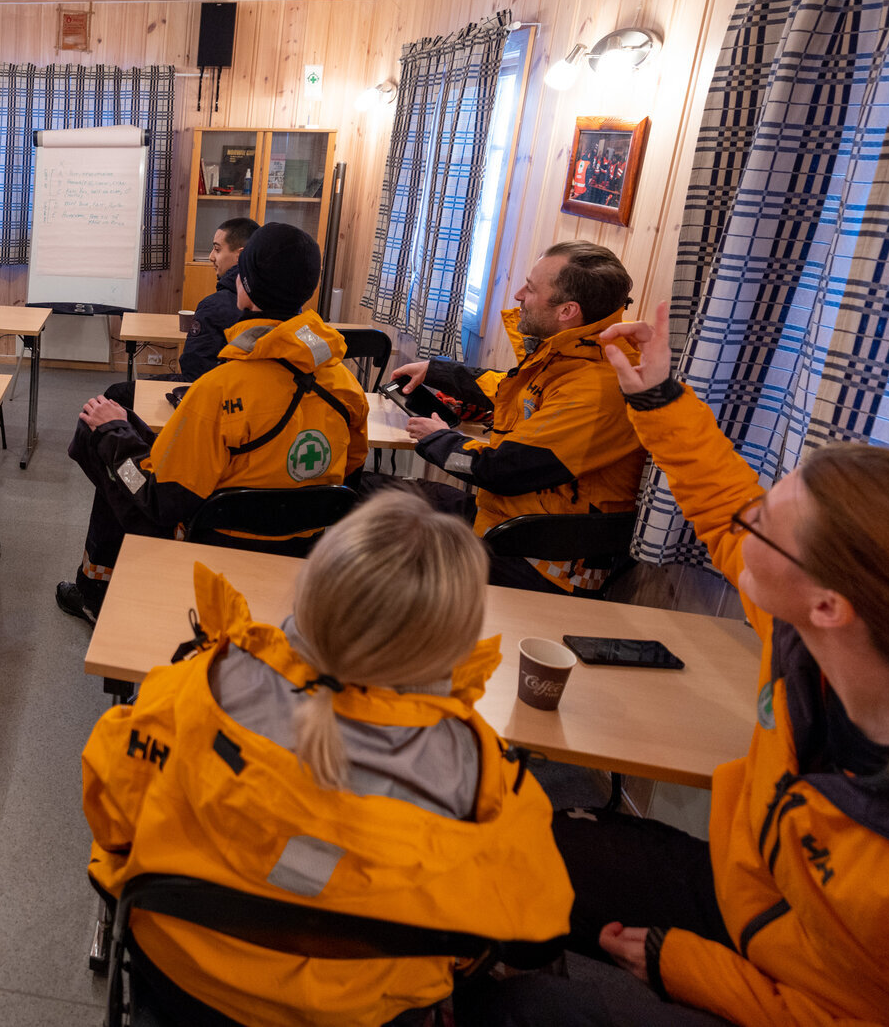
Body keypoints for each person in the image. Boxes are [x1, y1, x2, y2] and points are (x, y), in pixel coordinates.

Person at [473, 300, 889, 1026]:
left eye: (766, 521)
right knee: (510, 849)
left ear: (830, 603)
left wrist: (691, 970)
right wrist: (656, 396)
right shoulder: (810, 634)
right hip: (747, 889)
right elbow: (719, 490)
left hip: (810, 994)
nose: (743, 521)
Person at [82, 492, 571, 1027]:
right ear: (452, 638)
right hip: (362, 1011)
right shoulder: (484, 777)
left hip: (182, 979)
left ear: (314, 585)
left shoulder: (194, 686)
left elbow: (111, 812)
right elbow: (533, 929)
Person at [58, 223, 369, 623]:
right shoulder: (346, 385)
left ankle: (97, 590)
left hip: (210, 542)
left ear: (245, 287)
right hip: (304, 546)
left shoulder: (218, 390)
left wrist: (113, 433)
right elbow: (351, 473)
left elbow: (160, 501)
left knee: (105, 441)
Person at [388, 242, 646, 594]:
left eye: (532, 288)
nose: (519, 294)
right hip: (510, 521)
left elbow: (502, 471)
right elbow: (517, 392)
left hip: (542, 559)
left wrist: (437, 438)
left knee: (385, 529)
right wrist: (439, 371)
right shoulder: (573, 355)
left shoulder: (598, 389)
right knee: (379, 494)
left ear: (567, 310)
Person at [179, 216, 257, 381]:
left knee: (118, 392)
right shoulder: (282, 302)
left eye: (217, 249)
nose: (211, 257)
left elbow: (193, 373)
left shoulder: (214, 306)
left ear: (240, 255)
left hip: (214, 392)